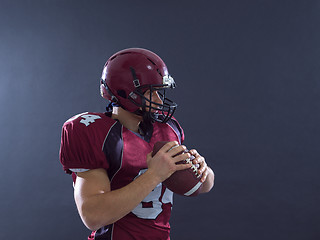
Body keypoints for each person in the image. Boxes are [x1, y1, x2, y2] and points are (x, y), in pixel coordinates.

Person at [59, 48, 214, 240]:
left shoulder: (168, 129)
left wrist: (202, 169)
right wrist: (154, 175)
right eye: (150, 93)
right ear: (125, 92)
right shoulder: (95, 133)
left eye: (160, 92)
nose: (159, 100)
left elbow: (203, 186)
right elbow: (93, 215)